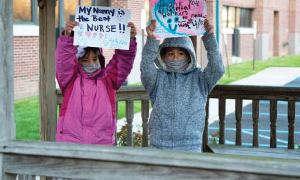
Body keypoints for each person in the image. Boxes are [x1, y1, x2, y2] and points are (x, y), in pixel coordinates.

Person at [141, 19, 225, 152]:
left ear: (189, 56)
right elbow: (146, 66)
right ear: (163, 57)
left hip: (191, 146)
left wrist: (210, 39)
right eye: (170, 54)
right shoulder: (157, 78)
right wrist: (152, 40)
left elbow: (218, 69)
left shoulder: (200, 78)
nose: (175, 58)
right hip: (159, 146)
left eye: (180, 53)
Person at [55, 21, 137, 145]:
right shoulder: (70, 79)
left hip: (101, 142)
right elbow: (64, 61)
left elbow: (123, 61)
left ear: (100, 58)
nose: (91, 63)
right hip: (70, 142)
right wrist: (68, 39)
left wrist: (128, 40)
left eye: (95, 59)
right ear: (78, 60)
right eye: (85, 60)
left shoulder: (108, 79)